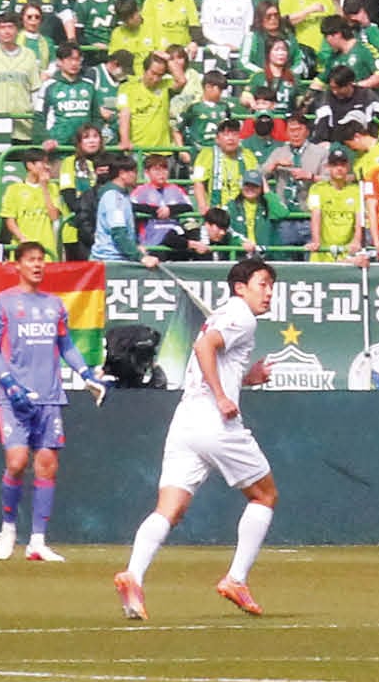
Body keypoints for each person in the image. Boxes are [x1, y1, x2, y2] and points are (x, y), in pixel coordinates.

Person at [116, 253, 277, 622]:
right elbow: (202, 348)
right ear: (241, 288)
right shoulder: (241, 316)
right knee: (265, 495)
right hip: (214, 421)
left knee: (169, 509)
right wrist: (222, 395)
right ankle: (236, 579)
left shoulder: (222, 314)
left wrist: (245, 379)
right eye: (262, 285)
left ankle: (134, 576)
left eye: (271, 286)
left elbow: (211, 354)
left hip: (186, 420)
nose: (268, 293)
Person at [0, 238, 108, 563]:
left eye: (41, 260)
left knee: (48, 466)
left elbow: (66, 346)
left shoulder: (55, 304)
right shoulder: (1, 303)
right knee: (17, 462)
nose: (38, 265)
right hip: (13, 397)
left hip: (50, 396)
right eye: (31, 259)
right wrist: (8, 383)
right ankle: (8, 527)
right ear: (18, 264)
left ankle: (37, 541)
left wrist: (86, 375)